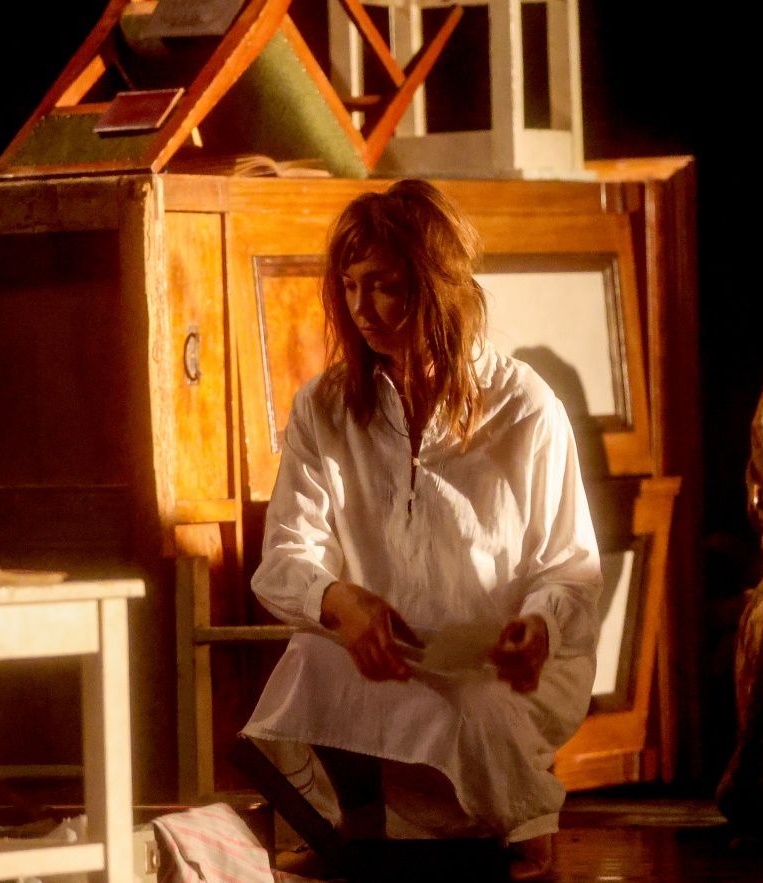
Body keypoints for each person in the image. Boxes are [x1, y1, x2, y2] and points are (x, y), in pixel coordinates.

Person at [241, 179, 602, 882]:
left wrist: (538, 627)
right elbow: (285, 554)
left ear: (438, 287)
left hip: (496, 662)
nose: (362, 308)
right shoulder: (326, 407)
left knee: (472, 706)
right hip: (388, 653)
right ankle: (346, 829)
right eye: (350, 286)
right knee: (305, 666)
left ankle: (523, 830)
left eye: (384, 286)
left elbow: (569, 566)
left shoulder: (525, 407)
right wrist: (341, 601)